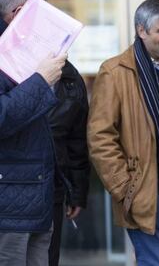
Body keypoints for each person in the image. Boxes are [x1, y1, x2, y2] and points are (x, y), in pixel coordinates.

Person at [87, 0, 159, 266]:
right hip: (146, 192)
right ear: (141, 31)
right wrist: (125, 189)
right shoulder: (114, 72)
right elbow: (100, 137)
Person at [0, 0, 67, 266]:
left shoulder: (29, 50)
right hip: (10, 206)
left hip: (37, 198)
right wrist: (41, 80)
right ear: (16, 13)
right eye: (40, 7)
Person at [47, 61, 90, 265]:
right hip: (10, 188)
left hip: (52, 187)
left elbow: (77, 142)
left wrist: (77, 193)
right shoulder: (10, 65)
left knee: (47, 258)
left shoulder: (70, 79)